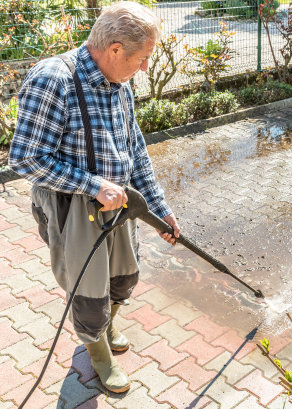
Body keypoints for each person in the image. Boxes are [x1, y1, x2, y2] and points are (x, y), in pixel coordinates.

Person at [8, 1, 179, 393]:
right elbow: (25, 159)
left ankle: (106, 325)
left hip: (118, 205)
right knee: (88, 293)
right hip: (72, 209)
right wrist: (93, 185)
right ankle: (97, 352)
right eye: (143, 58)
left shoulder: (120, 81)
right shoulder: (54, 79)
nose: (145, 67)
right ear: (115, 48)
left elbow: (134, 149)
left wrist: (159, 208)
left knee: (124, 278)